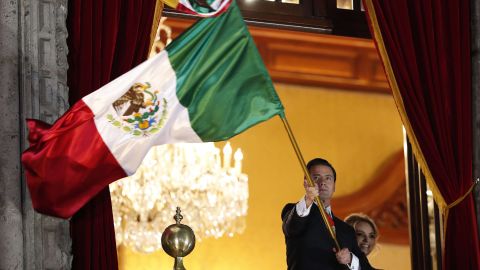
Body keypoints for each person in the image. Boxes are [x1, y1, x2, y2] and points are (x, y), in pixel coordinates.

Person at [281, 158, 373, 270]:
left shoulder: (347, 230)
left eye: (328, 178)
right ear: (306, 182)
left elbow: (366, 268)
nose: (322, 182)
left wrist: (350, 259)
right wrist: (308, 199)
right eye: (316, 177)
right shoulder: (297, 211)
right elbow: (292, 226)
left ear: (334, 186)